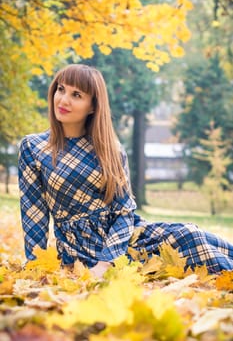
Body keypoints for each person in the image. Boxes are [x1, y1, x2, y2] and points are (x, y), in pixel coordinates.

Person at [18, 64, 233, 278]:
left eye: (76, 95)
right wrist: (35, 269)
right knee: (191, 239)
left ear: (92, 106)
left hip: (124, 239)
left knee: (193, 234)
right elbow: (34, 215)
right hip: (83, 251)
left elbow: (123, 212)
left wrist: (107, 262)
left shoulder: (110, 150)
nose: (63, 100)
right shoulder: (34, 147)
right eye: (61, 89)